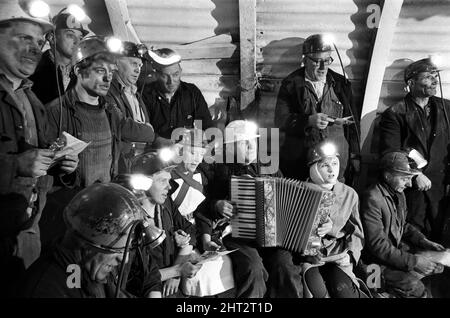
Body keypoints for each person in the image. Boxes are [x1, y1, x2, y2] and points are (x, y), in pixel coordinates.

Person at [42, 36, 155, 248]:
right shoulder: (56, 113)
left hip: (102, 210)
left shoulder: (110, 112)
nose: (108, 79)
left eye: (111, 72)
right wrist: (59, 167)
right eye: (100, 71)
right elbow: (40, 168)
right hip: (69, 212)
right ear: (78, 71)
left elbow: (134, 134)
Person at [0, 0, 78, 297]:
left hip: (29, 226)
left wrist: (61, 163)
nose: (35, 48)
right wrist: (16, 165)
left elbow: (41, 151)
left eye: (38, 40)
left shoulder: (29, 96)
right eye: (23, 38)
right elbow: (22, 161)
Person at [18, 183, 159, 298]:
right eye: (118, 250)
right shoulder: (48, 289)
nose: (124, 259)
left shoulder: (87, 270)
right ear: (86, 243)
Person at [379, 57, 450, 243]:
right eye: (428, 77)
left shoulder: (447, 108)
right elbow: (390, 152)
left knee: (440, 237)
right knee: (414, 237)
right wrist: (415, 174)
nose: (434, 80)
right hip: (412, 189)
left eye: (435, 76)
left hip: (441, 187)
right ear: (411, 83)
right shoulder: (395, 113)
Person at [202, 120, 275, 298]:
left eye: (254, 140)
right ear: (230, 147)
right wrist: (216, 205)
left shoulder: (269, 168)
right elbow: (201, 206)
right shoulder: (216, 171)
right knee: (253, 266)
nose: (251, 146)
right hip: (236, 234)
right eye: (244, 141)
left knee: (285, 264)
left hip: (271, 234)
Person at [274, 33, 360, 184]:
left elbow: (353, 124)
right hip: (301, 163)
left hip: (336, 162)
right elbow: (280, 120)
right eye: (317, 61)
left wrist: (355, 156)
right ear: (304, 60)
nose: (323, 67)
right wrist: (307, 121)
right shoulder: (291, 84)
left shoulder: (341, 84)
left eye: (327, 60)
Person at [360, 150, 445, 298]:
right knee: (417, 289)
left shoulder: (398, 193)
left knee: (436, 268)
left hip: (389, 256)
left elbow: (403, 225)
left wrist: (424, 242)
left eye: (410, 178)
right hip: (373, 264)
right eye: (405, 178)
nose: (409, 183)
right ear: (388, 176)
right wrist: (414, 261)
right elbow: (377, 245)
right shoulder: (372, 198)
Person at [130, 151, 203, 297]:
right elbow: (134, 277)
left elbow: (190, 230)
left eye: (168, 181)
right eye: (162, 181)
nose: (169, 187)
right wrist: (177, 271)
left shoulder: (166, 203)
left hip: (170, 285)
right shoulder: (130, 219)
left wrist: (177, 268)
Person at [300, 141, 367, 298]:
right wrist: (306, 253)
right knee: (317, 293)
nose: (332, 170)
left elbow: (356, 233)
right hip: (310, 258)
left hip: (337, 256)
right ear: (314, 167)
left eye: (335, 163)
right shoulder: (299, 190)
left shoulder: (349, 194)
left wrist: (350, 255)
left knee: (344, 292)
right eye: (325, 165)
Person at [142, 48, 213, 147]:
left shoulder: (191, 92)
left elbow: (207, 126)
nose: (171, 81)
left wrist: (200, 136)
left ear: (180, 72)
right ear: (157, 75)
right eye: (165, 76)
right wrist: (157, 140)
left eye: (175, 75)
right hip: (157, 152)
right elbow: (144, 129)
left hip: (186, 152)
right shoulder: (146, 94)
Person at [106, 41, 152, 173]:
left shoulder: (136, 94)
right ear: (116, 63)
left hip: (135, 165)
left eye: (140, 65)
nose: (138, 69)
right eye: (133, 64)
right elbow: (123, 127)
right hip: (118, 165)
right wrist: (149, 132)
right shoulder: (108, 90)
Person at [30, 7, 89, 104]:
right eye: (70, 35)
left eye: (80, 38)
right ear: (52, 38)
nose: (77, 42)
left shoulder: (83, 73)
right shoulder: (32, 69)